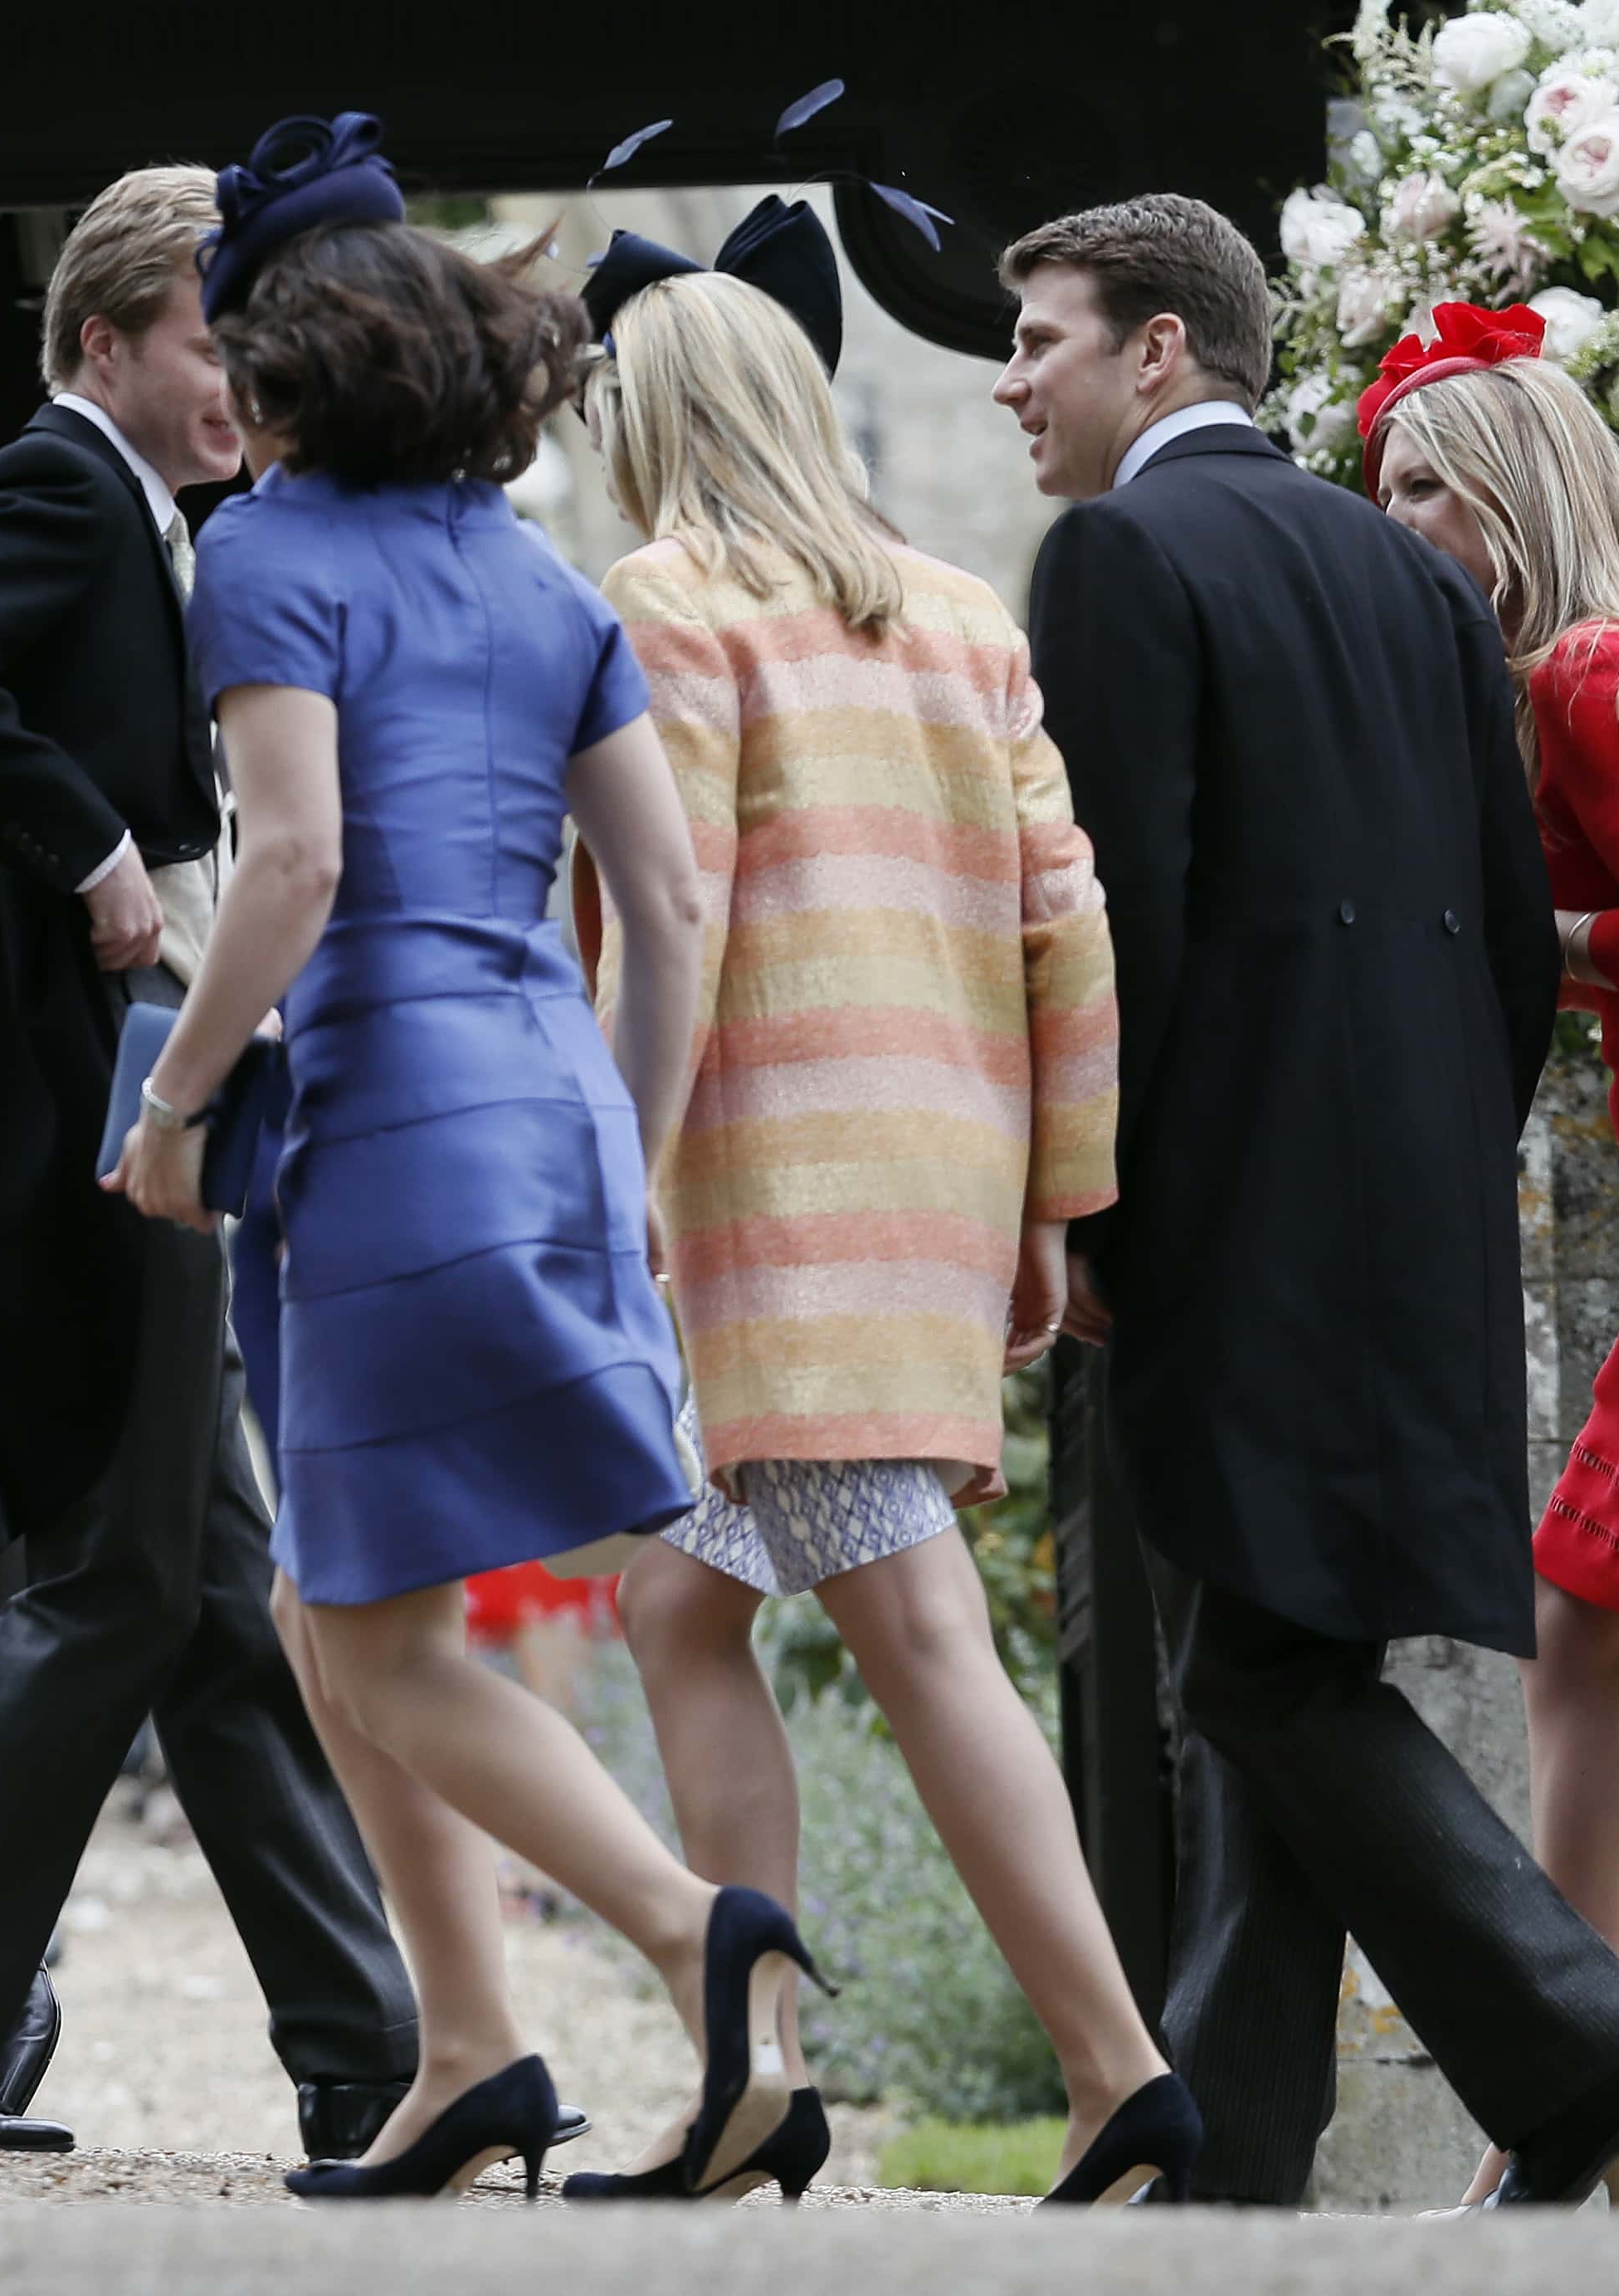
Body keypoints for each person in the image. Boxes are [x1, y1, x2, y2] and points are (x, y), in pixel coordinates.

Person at [106, 115, 820, 2206]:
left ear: (280, 360)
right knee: (332, 1603)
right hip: (548, 1093)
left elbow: (297, 860)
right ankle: (465, 2050)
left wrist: (167, 1112)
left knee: (379, 1628)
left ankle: (698, 1932)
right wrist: (625, 1145)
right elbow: (668, 910)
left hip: (384, 1109)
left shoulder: (256, 550)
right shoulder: (538, 575)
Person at [999, 193, 1619, 2210]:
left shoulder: (1117, 553)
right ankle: (1230, 2156)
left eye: (1038, 337)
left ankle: (1574, 2051)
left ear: (1155, 354)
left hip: (1224, 1207)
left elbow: (1102, 924)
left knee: (1248, 1668)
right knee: (1274, 1654)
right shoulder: (1403, 579)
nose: (1007, 380)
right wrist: (1433, 1156)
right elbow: (1506, 933)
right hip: (1404, 1197)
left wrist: (1085, 1212)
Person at [0, 164, 421, 2160]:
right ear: (103, 342)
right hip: (72, 1131)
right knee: (114, 1584)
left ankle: (377, 2057)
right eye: (214, 345)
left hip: (106, 1113)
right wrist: (89, 841)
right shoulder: (59, 488)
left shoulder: (139, 523)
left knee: (199, 1598)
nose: (242, 384)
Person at [568, 236, 1188, 2202]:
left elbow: (666, 925)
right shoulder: (952, 613)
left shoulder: (665, 603)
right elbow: (1058, 923)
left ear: (654, 422)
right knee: (680, 1596)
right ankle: (750, 2073)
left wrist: (596, 1181)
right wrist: (1051, 1208)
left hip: (755, 1186)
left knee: (919, 1634)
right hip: (929, 1184)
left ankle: (1116, 2075)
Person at [1364, 311, 1619, 2206]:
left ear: (1514, 498)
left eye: (1425, 483)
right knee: (1580, 1614)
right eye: (1384, 487)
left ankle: (1563, 2111)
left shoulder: (1598, 671)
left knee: (1581, 1614)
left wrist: (1510, 927)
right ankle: (1570, 2102)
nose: (1401, 517)